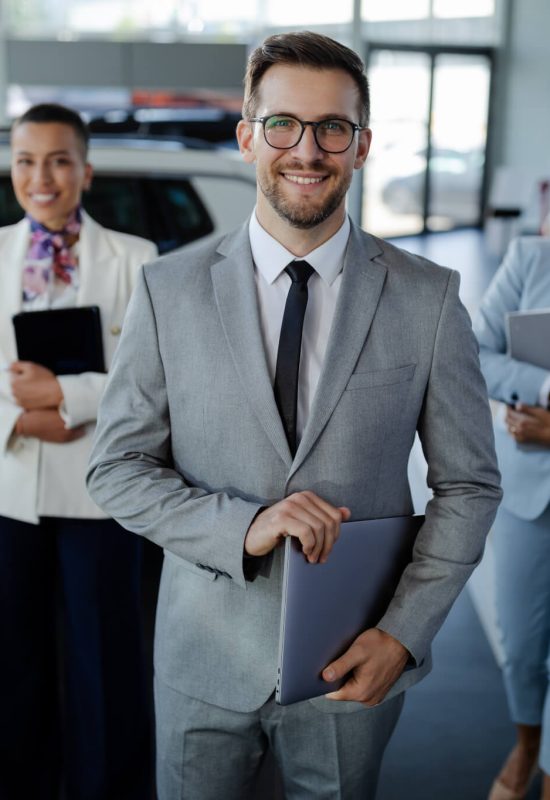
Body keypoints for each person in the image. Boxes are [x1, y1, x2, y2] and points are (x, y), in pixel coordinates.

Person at [87, 32, 502, 800]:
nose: (306, 150)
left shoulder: (430, 298)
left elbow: (471, 487)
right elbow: (114, 468)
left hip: (355, 662)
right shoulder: (167, 291)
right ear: (248, 136)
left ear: (362, 144)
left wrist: (403, 635)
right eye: (283, 124)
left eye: (332, 128)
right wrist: (243, 526)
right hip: (201, 662)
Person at [0, 103, 157, 800]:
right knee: (13, 666)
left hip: (103, 495)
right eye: (27, 160)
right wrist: (24, 420)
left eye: (60, 160)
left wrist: (64, 397)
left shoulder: (136, 259)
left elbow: (147, 379)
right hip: (9, 490)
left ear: (85, 171)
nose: (43, 176)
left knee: (106, 669)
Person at [474, 236, 550, 800]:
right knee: (522, 644)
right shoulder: (533, 258)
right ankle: (527, 745)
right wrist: (544, 386)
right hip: (530, 491)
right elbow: (474, 349)